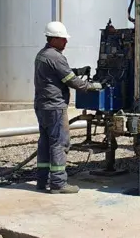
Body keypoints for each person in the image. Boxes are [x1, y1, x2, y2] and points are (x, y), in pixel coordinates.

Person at [33, 21, 101, 194]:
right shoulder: (56, 57)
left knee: (45, 142)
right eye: (63, 39)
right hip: (55, 106)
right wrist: (93, 86)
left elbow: (61, 73)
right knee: (59, 143)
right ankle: (58, 183)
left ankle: (42, 180)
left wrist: (78, 70)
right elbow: (72, 81)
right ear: (54, 39)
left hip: (42, 105)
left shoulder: (43, 55)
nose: (66, 42)